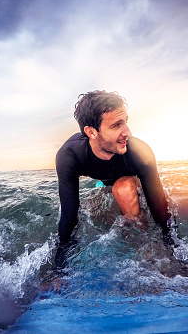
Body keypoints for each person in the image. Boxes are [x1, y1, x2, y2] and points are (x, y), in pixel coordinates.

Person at [53, 90, 175, 269]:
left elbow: (161, 211)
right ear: (91, 132)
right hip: (103, 185)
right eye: (117, 125)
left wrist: (173, 252)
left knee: (123, 188)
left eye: (125, 122)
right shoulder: (70, 155)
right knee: (90, 209)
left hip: (128, 183)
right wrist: (59, 269)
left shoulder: (139, 153)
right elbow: (69, 216)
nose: (128, 131)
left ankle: (143, 248)